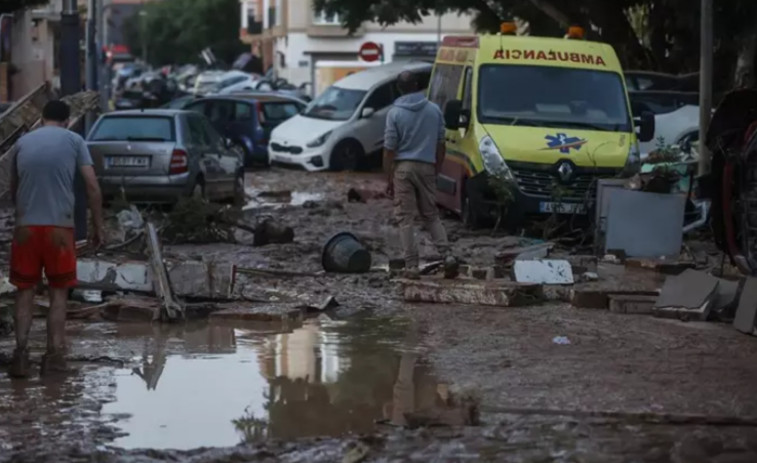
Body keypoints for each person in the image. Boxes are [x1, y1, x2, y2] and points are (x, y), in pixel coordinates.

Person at [7, 100, 104, 378]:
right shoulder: (74, 140)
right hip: (60, 231)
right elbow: (92, 187)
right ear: (67, 119)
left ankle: (21, 357)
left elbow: (13, 190)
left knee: (24, 292)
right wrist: (98, 227)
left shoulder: (23, 143)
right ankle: (54, 359)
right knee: (58, 294)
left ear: (42, 116)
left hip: (26, 228)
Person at [384, 71, 455, 279]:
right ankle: (448, 256)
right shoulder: (434, 110)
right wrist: (437, 168)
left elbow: (389, 149)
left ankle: (412, 267)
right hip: (427, 166)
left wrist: (388, 177)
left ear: (399, 88)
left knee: (405, 219)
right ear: (417, 85)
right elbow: (442, 144)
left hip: (403, 168)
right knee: (431, 215)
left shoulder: (394, 113)